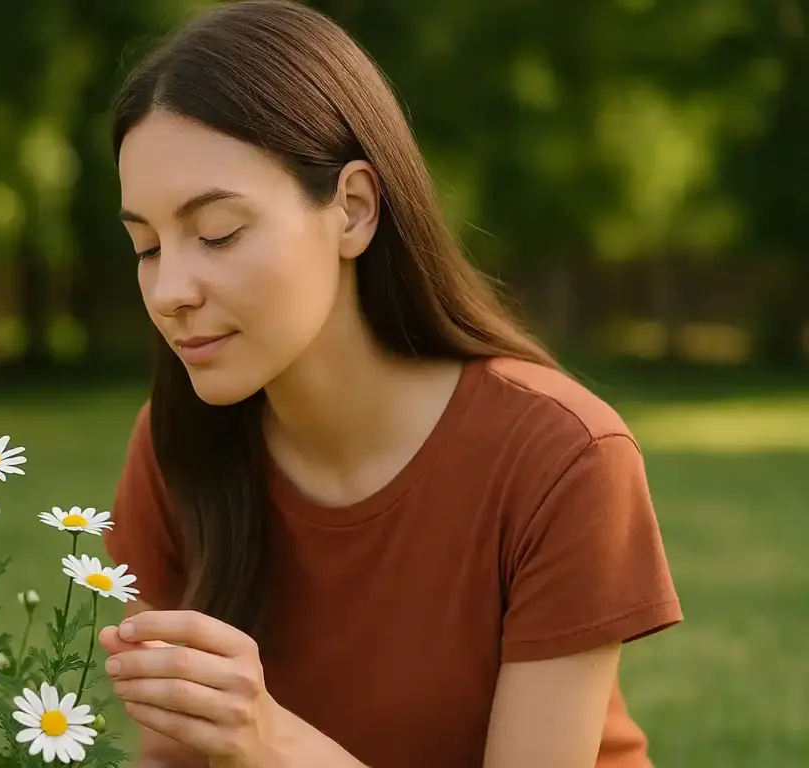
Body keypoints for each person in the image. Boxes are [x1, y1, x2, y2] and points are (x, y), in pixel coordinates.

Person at [95, 1, 683, 766]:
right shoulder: (177, 444)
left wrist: (270, 742)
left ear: (353, 210)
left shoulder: (561, 458)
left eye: (218, 233)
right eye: (145, 246)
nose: (171, 288)